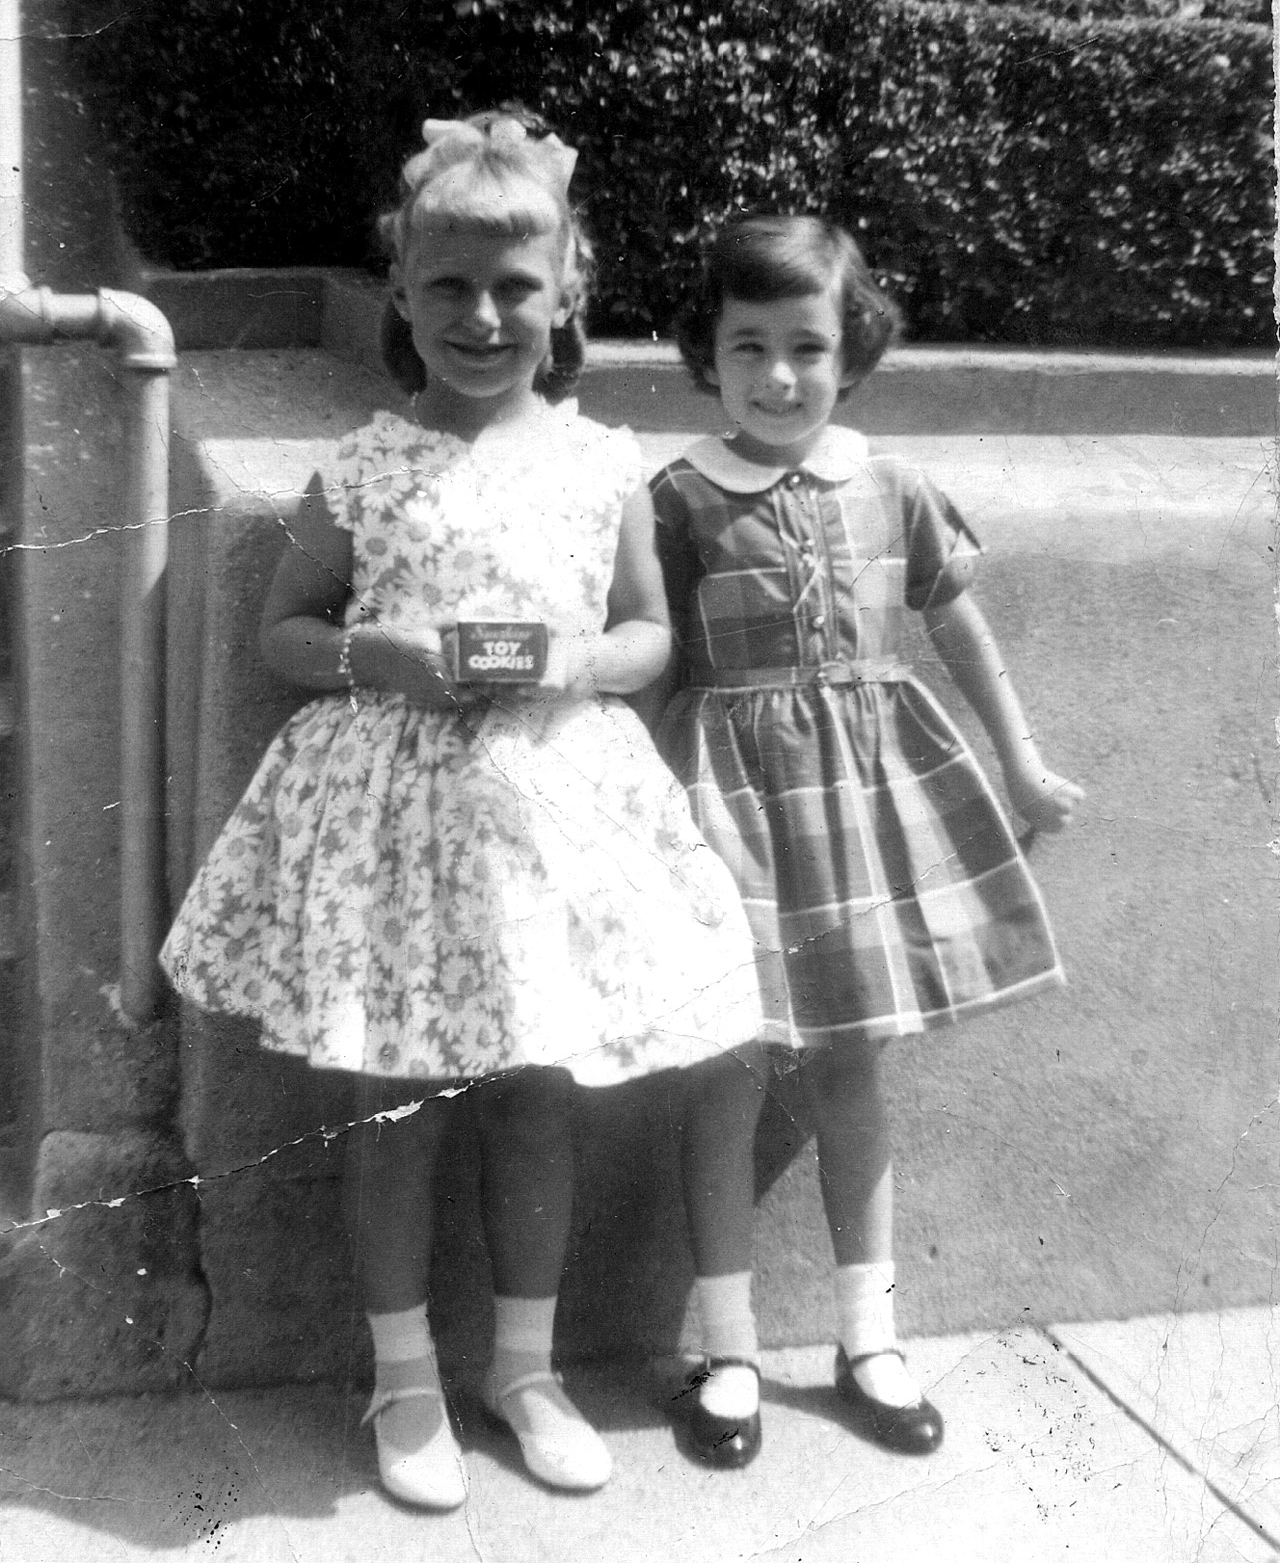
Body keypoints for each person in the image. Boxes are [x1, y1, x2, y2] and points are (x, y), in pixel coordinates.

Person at [160, 110, 761, 1510]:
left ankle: (524, 1365)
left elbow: (647, 637)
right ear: (403, 296)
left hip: (549, 823)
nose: (483, 316)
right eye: (449, 288)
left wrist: (574, 660)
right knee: (394, 1101)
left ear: (566, 302)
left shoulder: (603, 462)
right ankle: (405, 1373)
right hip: (395, 834)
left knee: (539, 1092)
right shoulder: (364, 464)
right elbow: (287, 630)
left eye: (515, 289)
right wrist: (374, 653)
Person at [642, 215, 1084, 1469]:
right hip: (727, 816)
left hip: (867, 815)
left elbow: (958, 628)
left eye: (806, 347)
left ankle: (866, 1336)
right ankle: (726, 1349)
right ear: (706, 355)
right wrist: (651, 811)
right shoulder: (674, 499)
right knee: (720, 1074)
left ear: (853, 351)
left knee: (851, 1073)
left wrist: (1019, 759)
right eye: (747, 348)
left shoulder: (890, 487)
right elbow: (646, 666)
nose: (777, 378)